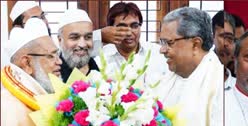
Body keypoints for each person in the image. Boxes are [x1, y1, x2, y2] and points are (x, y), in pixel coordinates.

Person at [3, 1, 133, 67]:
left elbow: (78, 54)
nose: (44, 22)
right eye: (36, 19)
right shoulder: (12, 52)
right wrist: (100, 35)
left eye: (43, 16)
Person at [97, 2, 168, 86]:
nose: (129, 33)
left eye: (134, 26)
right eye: (122, 27)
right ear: (110, 28)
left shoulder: (158, 53)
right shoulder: (100, 57)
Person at [58, 9, 99, 82]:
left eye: (88, 37)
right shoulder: (53, 73)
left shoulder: (102, 67)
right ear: (60, 40)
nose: (82, 45)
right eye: (74, 38)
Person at [212, 10, 236, 88]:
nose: (225, 43)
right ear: (213, 37)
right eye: (222, 36)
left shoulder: (237, 86)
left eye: (230, 38)